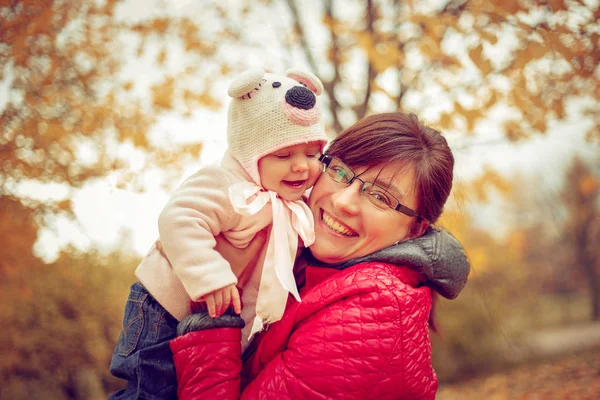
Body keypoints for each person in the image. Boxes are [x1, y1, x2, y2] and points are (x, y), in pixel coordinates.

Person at [169, 111, 471, 400]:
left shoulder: (375, 314)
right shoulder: (295, 256)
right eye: (340, 171)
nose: (344, 201)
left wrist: (210, 327)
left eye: (381, 197)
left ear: (416, 228)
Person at [109, 68, 328, 400]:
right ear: (249, 154)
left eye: (312, 154)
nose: (301, 166)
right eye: (284, 155)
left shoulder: (296, 207)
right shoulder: (225, 183)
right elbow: (179, 218)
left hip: (216, 323)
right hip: (165, 305)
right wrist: (210, 275)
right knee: (152, 390)